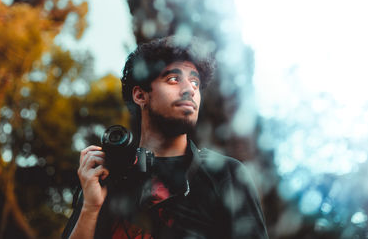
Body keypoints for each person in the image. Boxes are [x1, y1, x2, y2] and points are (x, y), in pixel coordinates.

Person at [62, 36, 269, 239]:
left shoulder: (226, 175)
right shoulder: (107, 175)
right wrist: (90, 207)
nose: (189, 89)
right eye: (173, 79)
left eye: (195, 82)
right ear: (140, 96)